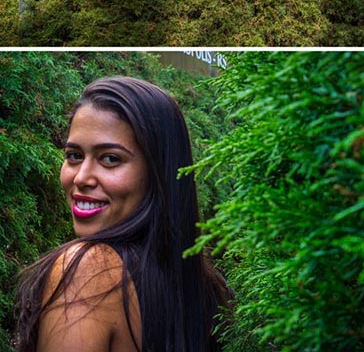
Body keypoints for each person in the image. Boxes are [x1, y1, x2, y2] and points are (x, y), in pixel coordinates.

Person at [14, 77, 229, 352]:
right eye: (74, 155)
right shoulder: (202, 287)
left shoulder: (90, 271)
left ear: (158, 173)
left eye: (110, 158)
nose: (81, 177)